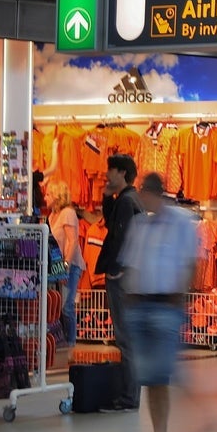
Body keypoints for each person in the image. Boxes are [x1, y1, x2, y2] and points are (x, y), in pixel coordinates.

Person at [120, 172, 199, 432]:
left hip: (166, 306)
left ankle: (205, 423)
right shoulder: (141, 224)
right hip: (141, 307)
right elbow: (132, 263)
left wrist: (181, 296)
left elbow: (191, 262)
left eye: (145, 193)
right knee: (152, 379)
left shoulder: (181, 222)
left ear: (154, 192)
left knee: (166, 374)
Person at [95, 153, 144, 412]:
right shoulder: (129, 199)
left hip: (122, 277)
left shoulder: (127, 201)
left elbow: (120, 237)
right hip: (130, 276)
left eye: (111, 170)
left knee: (125, 337)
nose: (107, 174)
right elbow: (114, 226)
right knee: (128, 336)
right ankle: (130, 395)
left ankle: (128, 397)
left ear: (122, 172)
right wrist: (106, 196)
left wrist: (116, 270)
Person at [46, 180, 85, 345]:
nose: (45, 197)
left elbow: (73, 241)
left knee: (66, 306)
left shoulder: (68, 213)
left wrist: (66, 267)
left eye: (48, 194)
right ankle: (61, 342)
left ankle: (71, 343)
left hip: (70, 264)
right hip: (57, 264)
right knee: (57, 305)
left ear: (56, 196)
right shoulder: (51, 216)